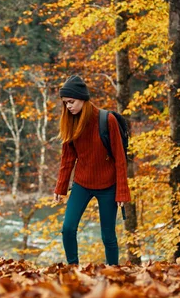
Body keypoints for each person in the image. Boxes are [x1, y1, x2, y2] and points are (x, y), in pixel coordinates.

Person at [53, 74, 130, 266]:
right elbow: (67, 159)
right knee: (68, 228)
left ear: (83, 99)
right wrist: (60, 188)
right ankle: (73, 269)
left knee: (108, 236)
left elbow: (120, 159)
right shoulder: (69, 122)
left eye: (71, 102)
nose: (68, 106)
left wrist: (122, 192)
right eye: (65, 103)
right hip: (82, 183)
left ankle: (114, 273)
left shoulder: (107, 120)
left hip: (108, 185)